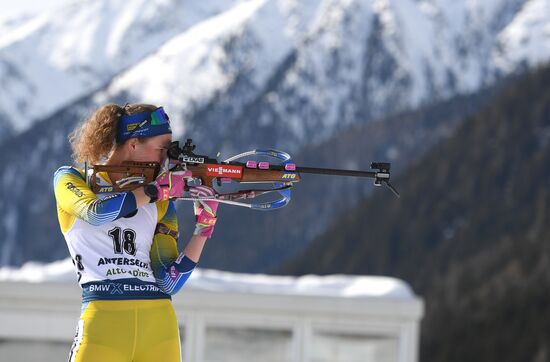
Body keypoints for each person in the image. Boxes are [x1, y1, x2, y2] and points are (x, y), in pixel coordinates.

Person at [53, 103, 218, 362]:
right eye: (162, 149)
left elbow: (169, 282)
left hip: (159, 328)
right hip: (103, 325)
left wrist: (204, 227)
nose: (165, 159)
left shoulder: (160, 201)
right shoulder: (73, 178)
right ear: (133, 144)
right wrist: (155, 191)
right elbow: (96, 213)